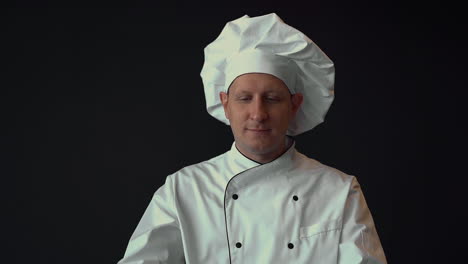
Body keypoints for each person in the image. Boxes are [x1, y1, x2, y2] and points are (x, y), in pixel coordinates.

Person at [117, 13, 387, 264]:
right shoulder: (184, 190)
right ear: (225, 104)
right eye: (244, 99)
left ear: (294, 105)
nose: (258, 114)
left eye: (272, 99)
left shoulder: (339, 191)